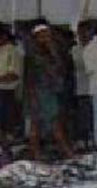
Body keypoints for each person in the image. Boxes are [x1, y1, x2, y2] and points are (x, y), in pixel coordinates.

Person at [25, 24, 75, 160]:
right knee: (51, 123)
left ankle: (36, 153)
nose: (47, 38)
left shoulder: (52, 51)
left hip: (50, 91)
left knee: (41, 124)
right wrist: (32, 96)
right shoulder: (34, 55)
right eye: (43, 35)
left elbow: (61, 69)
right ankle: (65, 152)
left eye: (48, 35)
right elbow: (30, 77)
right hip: (41, 92)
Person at [0, 22, 22, 156]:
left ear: (4, 36)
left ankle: (7, 149)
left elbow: (14, 75)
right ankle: (0, 147)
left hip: (6, 91)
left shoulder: (13, 51)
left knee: (5, 123)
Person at [71, 21, 93, 151]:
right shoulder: (74, 50)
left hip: (95, 88)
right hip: (81, 87)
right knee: (82, 115)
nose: (83, 35)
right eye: (80, 33)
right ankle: (82, 140)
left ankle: (91, 139)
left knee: (93, 116)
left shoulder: (95, 48)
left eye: (86, 32)